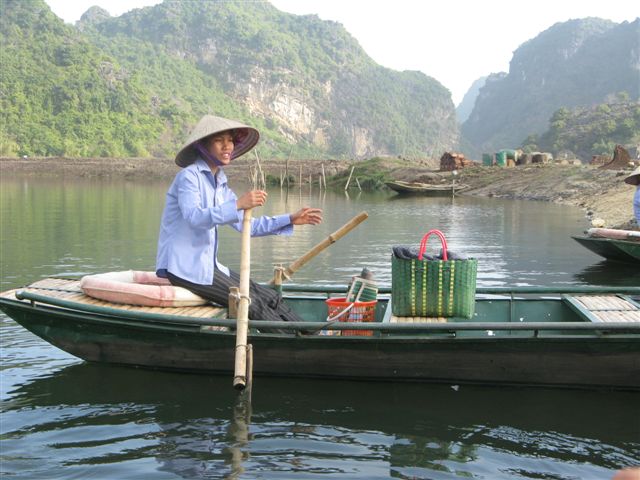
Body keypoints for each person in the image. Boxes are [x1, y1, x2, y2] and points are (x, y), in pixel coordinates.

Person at [156, 115, 323, 324]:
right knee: (250, 302)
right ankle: (294, 344)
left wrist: (290, 219)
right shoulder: (189, 177)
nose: (228, 146)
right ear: (202, 147)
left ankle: (309, 332)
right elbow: (194, 217)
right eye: (219, 141)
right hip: (185, 269)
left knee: (268, 296)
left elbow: (248, 226)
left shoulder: (220, 184)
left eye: (230, 140)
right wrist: (237, 205)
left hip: (210, 265)